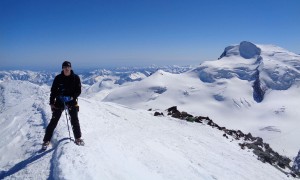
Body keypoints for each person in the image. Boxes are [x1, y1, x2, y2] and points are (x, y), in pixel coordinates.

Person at [42, 61, 84, 148]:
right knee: (54, 121)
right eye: (65, 67)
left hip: (71, 101)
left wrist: (72, 97)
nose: (66, 69)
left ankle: (78, 138)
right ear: (62, 68)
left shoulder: (76, 78)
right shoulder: (58, 78)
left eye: (68, 67)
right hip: (59, 101)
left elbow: (78, 90)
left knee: (74, 120)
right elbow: (53, 91)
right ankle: (46, 140)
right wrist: (51, 103)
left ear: (70, 68)